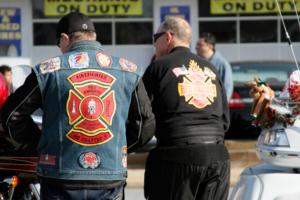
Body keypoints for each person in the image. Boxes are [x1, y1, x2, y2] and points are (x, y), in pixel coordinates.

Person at [1, 12, 155, 200]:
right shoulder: (128, 70)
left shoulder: (47, 71)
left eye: (59, 44)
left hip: (60, 176)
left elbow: (11, 116)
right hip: (109, 178)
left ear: (65, 38)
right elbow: (146, 124)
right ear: (94, 36)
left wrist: (41, 143)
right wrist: (117, 147)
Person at [143, 16, 230, 200]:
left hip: (177, 159)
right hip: (218, 157)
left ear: (167, 37)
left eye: (154, 39)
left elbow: (141, 118)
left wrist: (129, 144)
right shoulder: (211, 69)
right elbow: (224, 120)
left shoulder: (157, 68)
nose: (154, 45)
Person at [196, 32, 233, 101]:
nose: (196, 47)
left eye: (200, 45)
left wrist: (222, 107)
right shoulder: (195, 63)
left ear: (210, 46)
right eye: (197, 45)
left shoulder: (222, 64)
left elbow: (227, 87)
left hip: (216, 108)